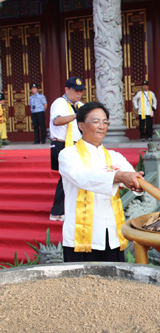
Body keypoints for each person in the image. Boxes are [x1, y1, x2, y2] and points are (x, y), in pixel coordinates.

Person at [59, 101, 144, 262]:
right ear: (81, 125)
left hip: (111, 235)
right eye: (96, 121)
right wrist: (117, 177)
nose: (102, 126)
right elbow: (81, 177)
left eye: (105, 122)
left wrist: (145, 186)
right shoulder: (68, 155)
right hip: (81, 238)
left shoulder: (115, 156)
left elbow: (133, 178)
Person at [49, 77, 85, 221]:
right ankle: (57, 211)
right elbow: (57, 121)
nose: (79, 94)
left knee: (72, 178)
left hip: (76, 145)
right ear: (67, 90)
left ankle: (67, 209)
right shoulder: (60, 103)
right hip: (62, 145)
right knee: (66, 178)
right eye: (76, 91)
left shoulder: (80, 105)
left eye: (81, 91)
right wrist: (76, 115)